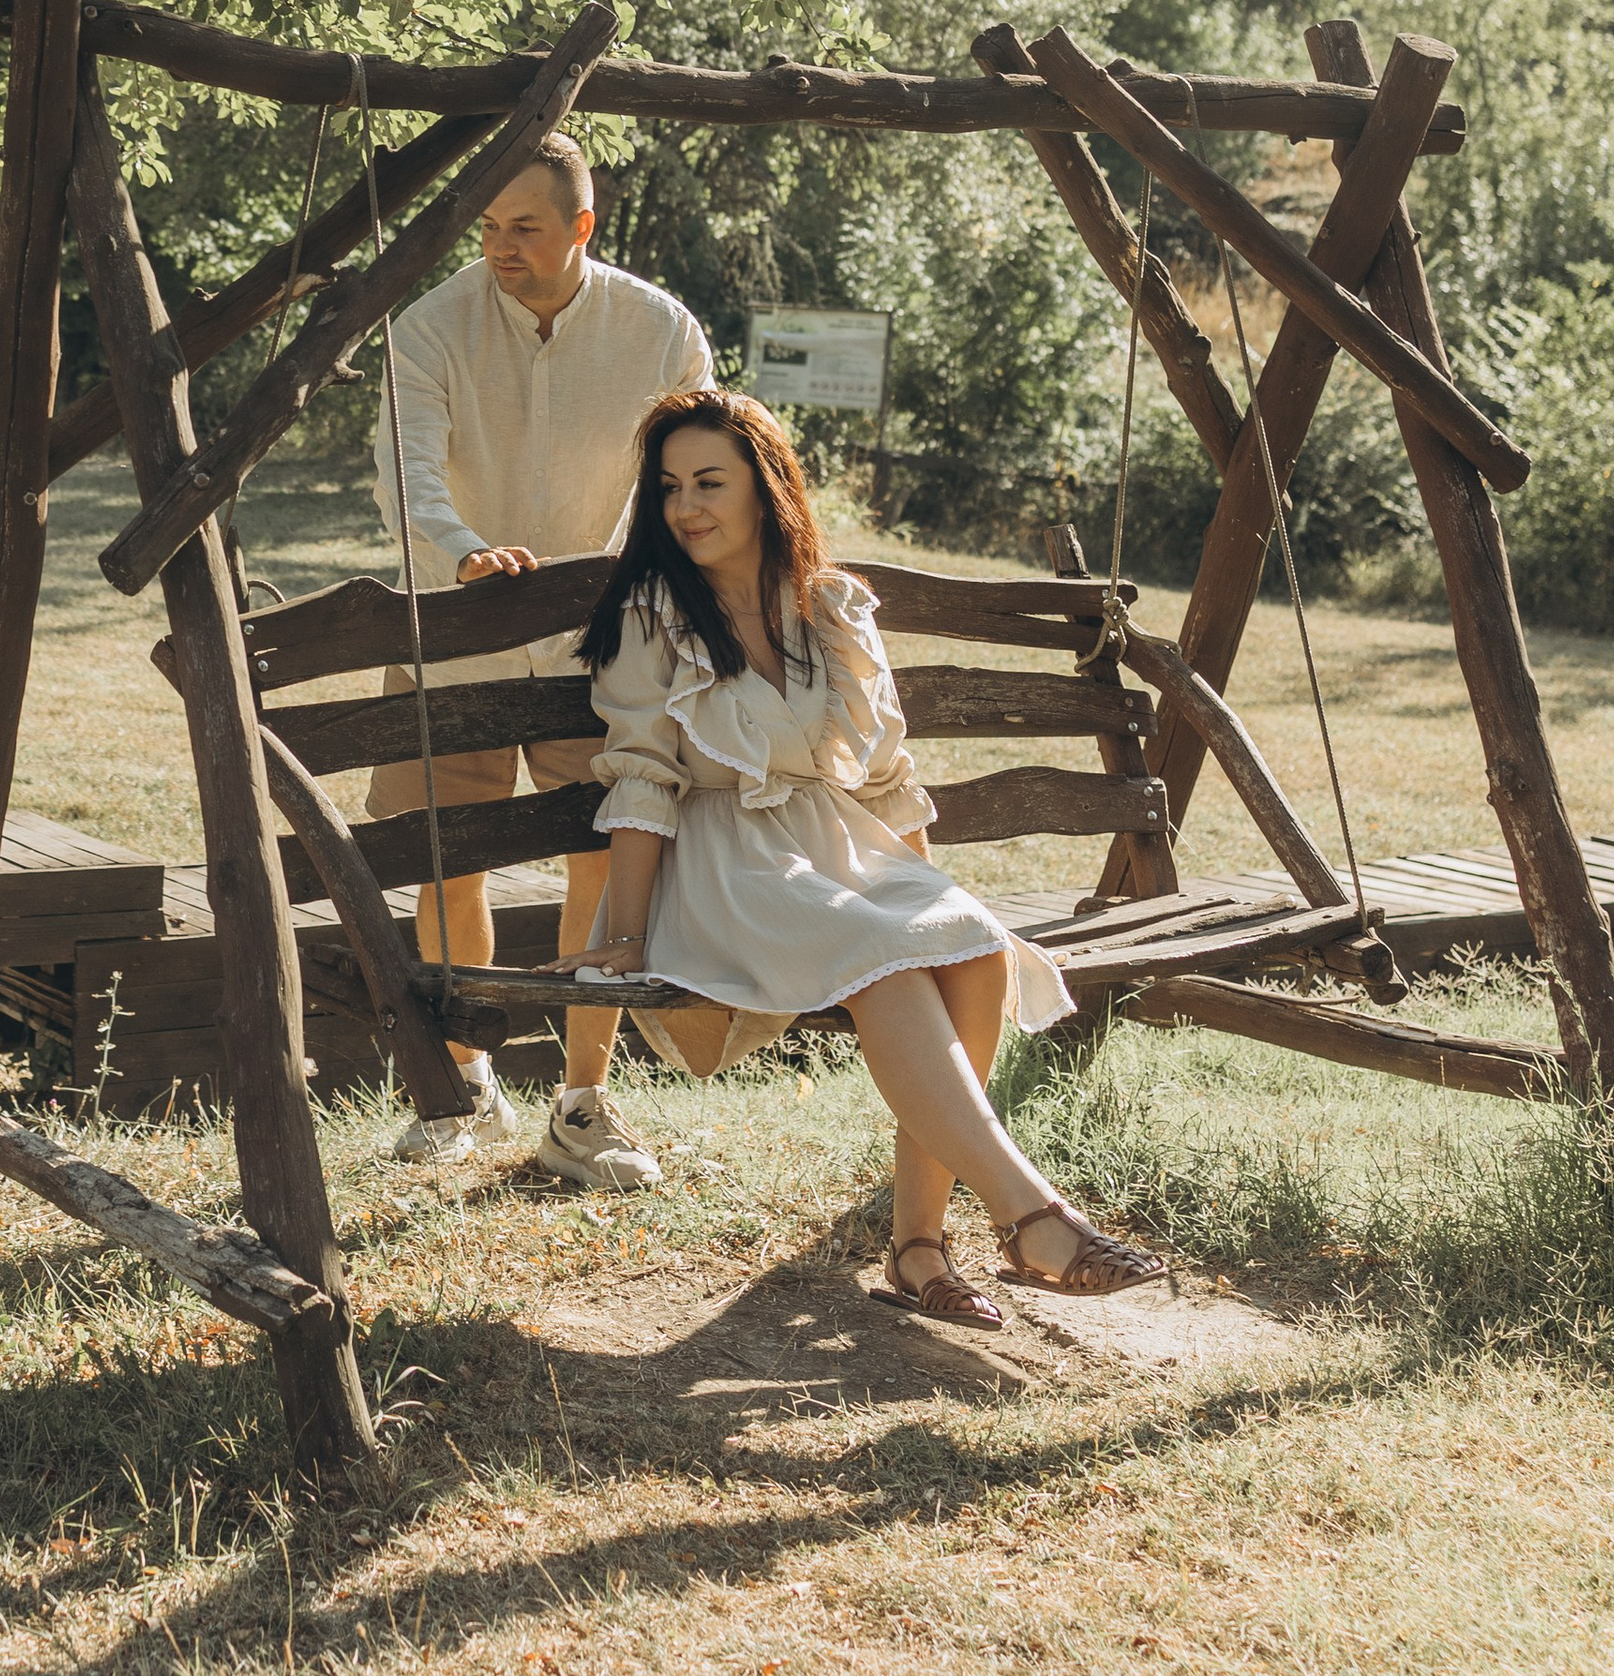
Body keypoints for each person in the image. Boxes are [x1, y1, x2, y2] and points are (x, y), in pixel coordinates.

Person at [573, 388, 1167, 1315]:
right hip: (721, 864)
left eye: (709, 483)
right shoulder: (651, 620)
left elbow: (886, 773)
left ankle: (920, 1251)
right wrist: (626, 934)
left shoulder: (830, 608)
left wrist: (927, 888)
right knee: (886, 961)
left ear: (766, 489)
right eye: (669, 488)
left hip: (831, 850)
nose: (685, 507)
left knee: (965, 946)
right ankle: (1035, 1217)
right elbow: (643, 782)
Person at [369, 130, 712, 1190]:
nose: (500, 247)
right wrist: (464, 551)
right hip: (453, 626)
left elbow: (693, 476)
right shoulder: (430, 326)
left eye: (524, 227)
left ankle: (581, 1100)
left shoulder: (658, 331)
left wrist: (614, 592)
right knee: (443, 853)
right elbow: (406, 472)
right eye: (486, 227)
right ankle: (462, 1080)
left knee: (603, 857)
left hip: (602, 640)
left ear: (581, 227)